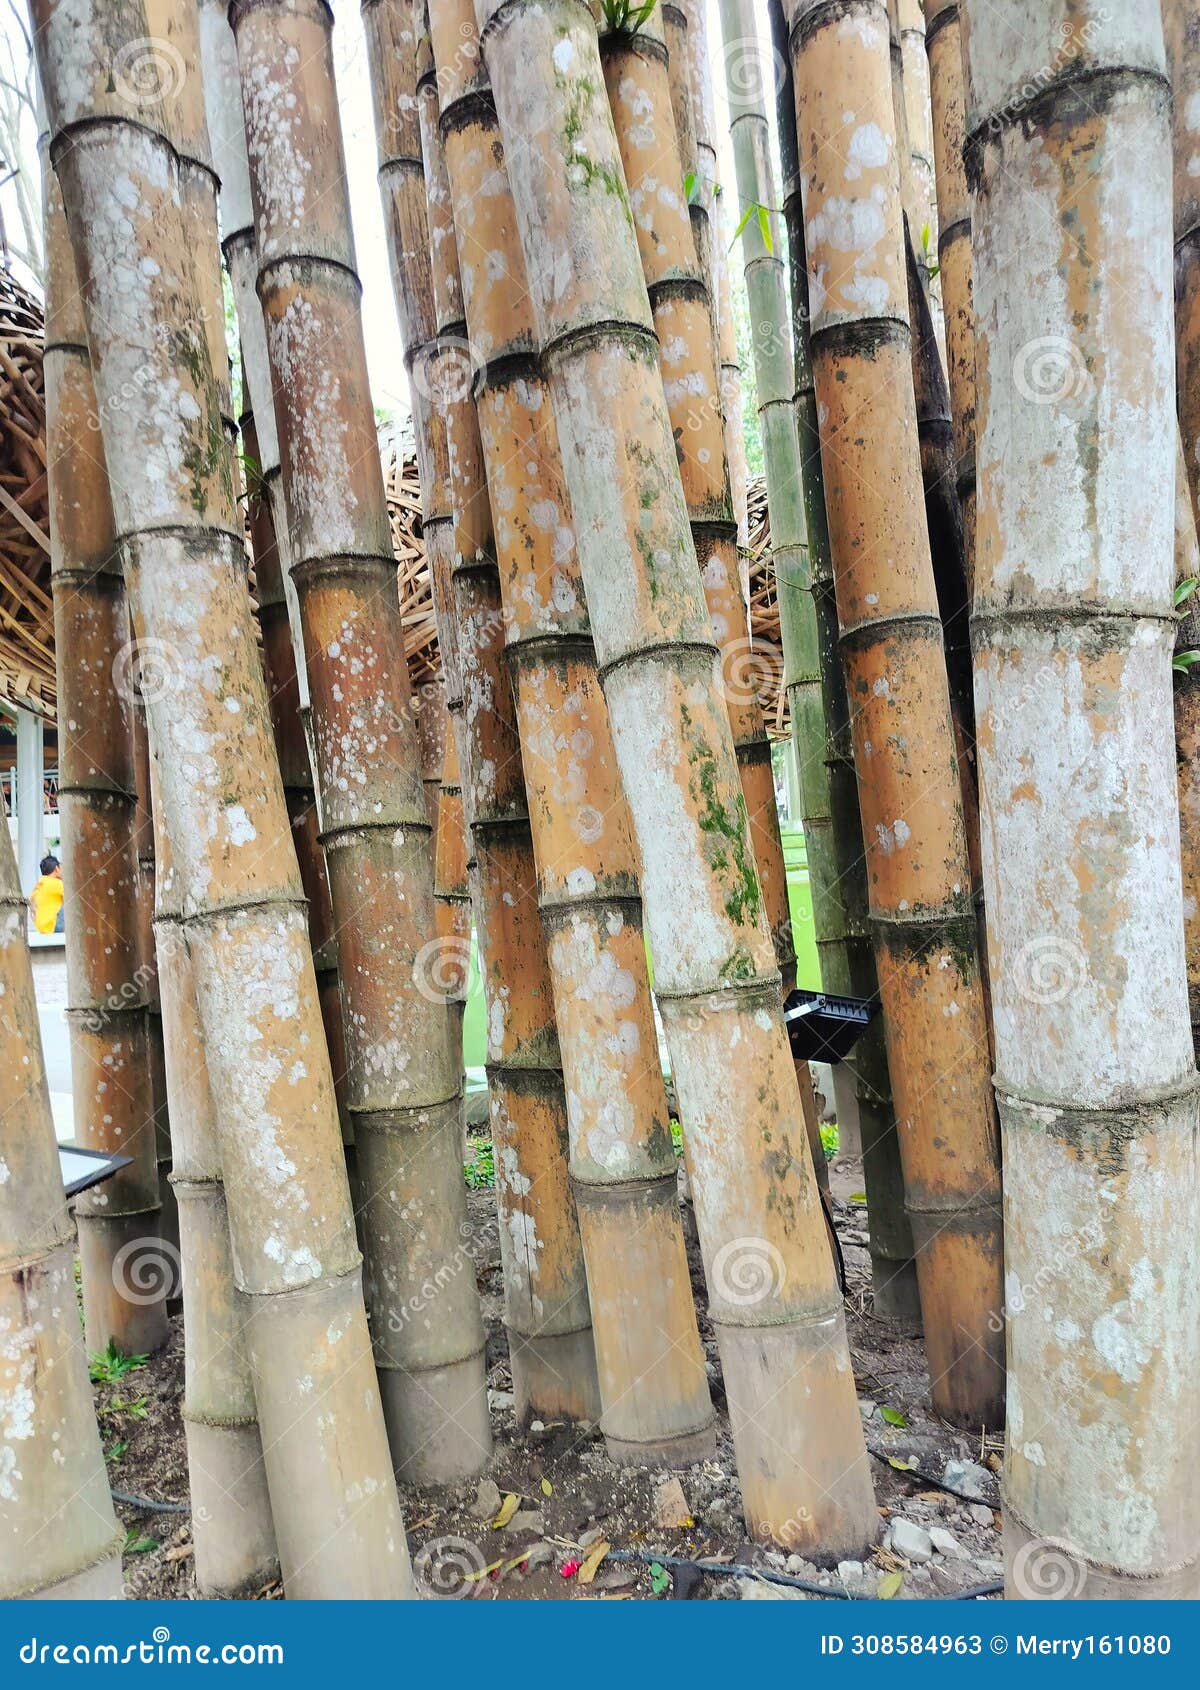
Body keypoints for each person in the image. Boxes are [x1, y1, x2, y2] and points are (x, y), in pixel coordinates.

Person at [29, 853, 64, 935]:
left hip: (42, 928)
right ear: (57, 869)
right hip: (53, 926)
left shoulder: (39, 884)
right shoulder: (56, 883)